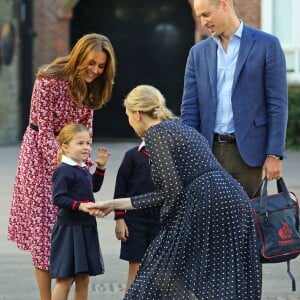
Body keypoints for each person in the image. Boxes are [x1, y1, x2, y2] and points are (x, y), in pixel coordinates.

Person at [88, 84, 262, 299]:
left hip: (206, 201)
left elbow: (169, 192)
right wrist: (113, 204)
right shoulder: (182, 128)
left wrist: (163, 225)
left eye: (128, 116)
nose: (130, 122)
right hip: (233, 198)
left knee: (158, 269)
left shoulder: (156, 134)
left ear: (138, 114)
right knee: (221, 277)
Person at [7, 33, 116, 300]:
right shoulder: (49, 79)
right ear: (79, 56)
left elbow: (86, 128)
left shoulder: (93, 85)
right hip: (39, 156)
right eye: (91, 63)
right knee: (44, 234)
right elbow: (43, 130)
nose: (95, 70)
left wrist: (85, 166)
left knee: (70, 225)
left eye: (101, 66)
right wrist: (66, 168)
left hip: (72, 154)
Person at [181, 0, 288, 197]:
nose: (203, 22)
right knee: (211, 222)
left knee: (247, 222)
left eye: (206, 14)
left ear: (224, 4)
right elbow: (190, 108)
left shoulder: (267, 45)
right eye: (200, 17)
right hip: (208, 152)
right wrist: (190, 153)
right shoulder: (197, 53)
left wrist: (274, 154)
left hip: (249, 156)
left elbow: (277, 105)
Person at [50, 123, 110, 300]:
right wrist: (81, 206)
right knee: (65, 279)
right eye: (80, 143)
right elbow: (58, 198)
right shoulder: (63, 171)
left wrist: (100, 169)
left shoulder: (82, 167)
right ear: (65, 147)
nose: (86, 147)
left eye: (88, 143)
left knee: (83, 278)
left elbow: (93, 187)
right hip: (69, 229)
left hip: (86, 227)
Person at [113, 139, 160, 292]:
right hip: (135, 220)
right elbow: (120, 188)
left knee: (160, 269)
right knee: (135, 268)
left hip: (163, 220)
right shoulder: (132, 155)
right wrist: (119, 219)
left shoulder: (171, 156)